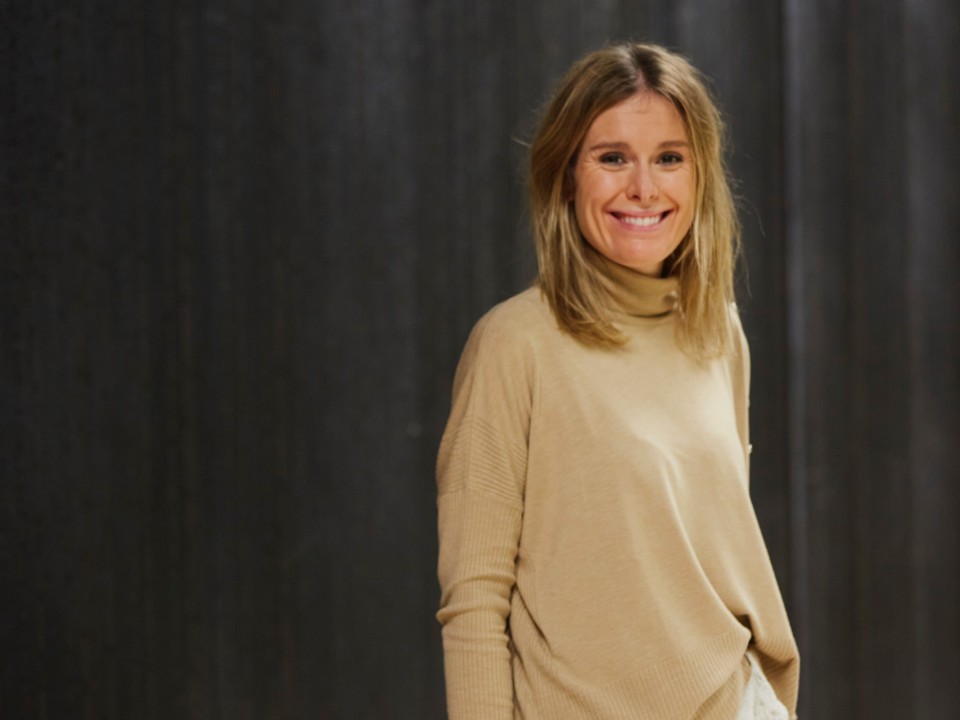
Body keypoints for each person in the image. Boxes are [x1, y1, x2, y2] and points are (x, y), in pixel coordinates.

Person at [435, 42, 800, 719]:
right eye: (612, 158)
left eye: (669, 158)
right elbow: (474, 598)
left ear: (700, 175)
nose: (643, 188)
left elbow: (704, 552)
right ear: (566, 176)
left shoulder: (718, 332)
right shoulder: (514, 345)